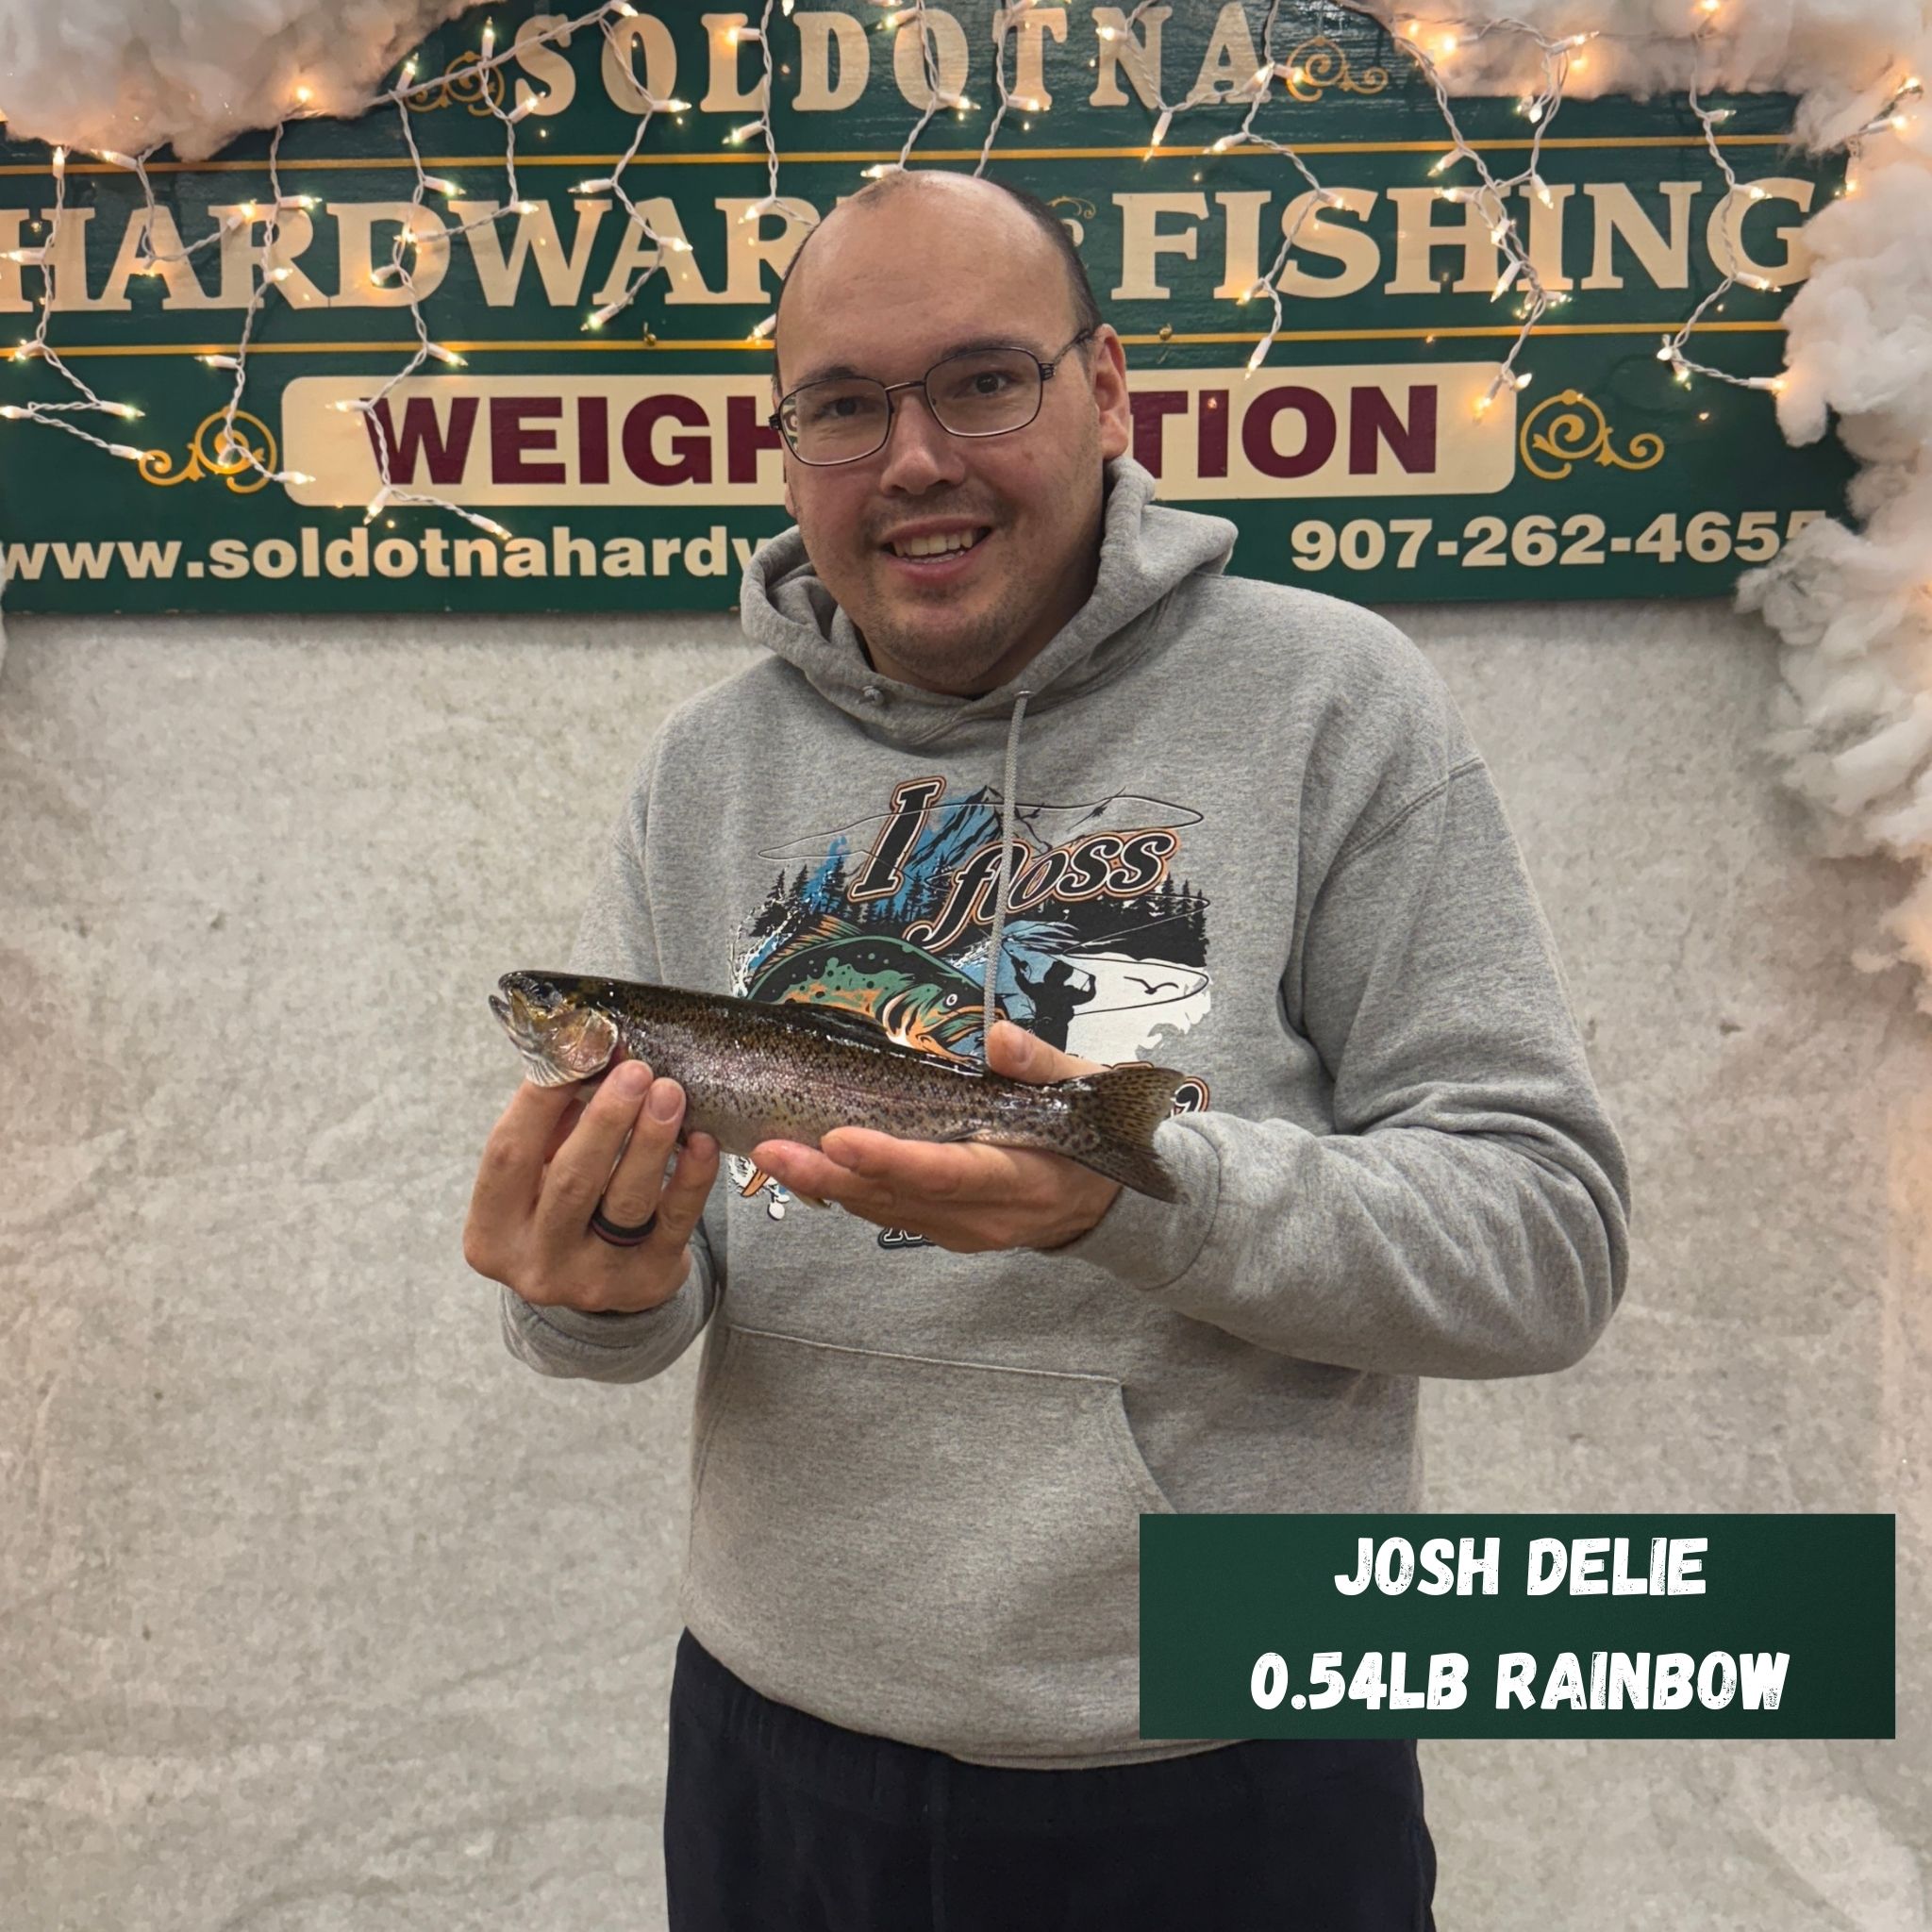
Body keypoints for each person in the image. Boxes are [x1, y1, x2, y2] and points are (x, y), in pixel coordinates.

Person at [463, 168, 1631, 1930]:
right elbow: (666, 1284)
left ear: (1108, 391)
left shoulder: (1336, 703)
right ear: (785, 448)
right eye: (843, 406)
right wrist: (598, 1288)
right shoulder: (701, 772)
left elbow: (1548, 1245)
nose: (914, 459)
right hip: (783, 1735)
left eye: (982, 381)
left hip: (1249, 1739)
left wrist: (1136, 1196)